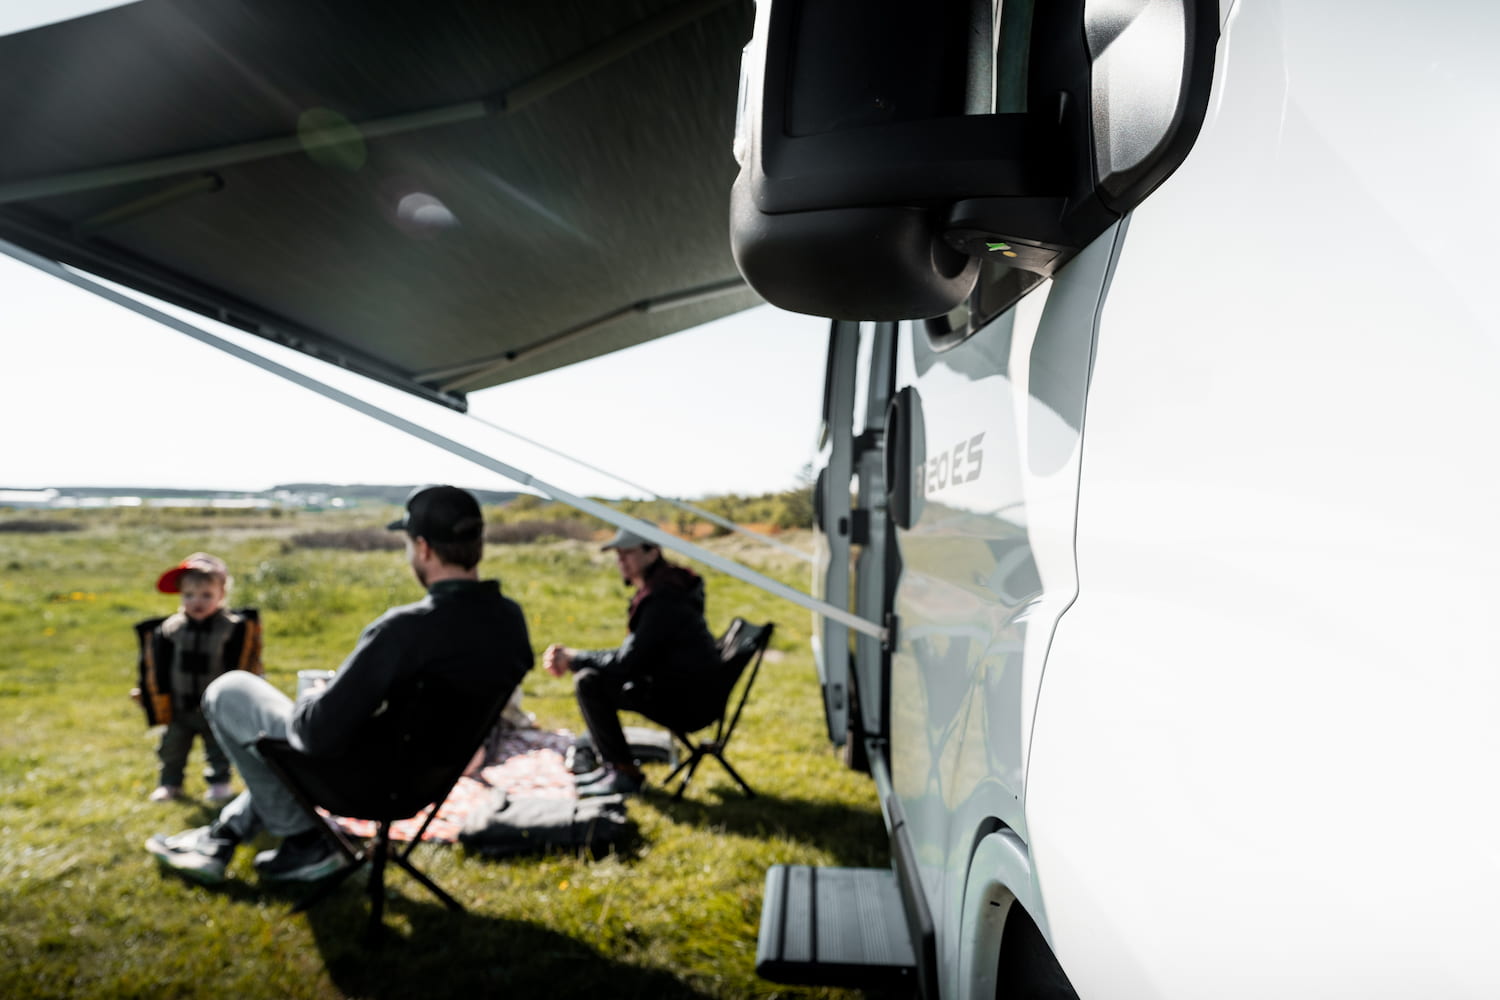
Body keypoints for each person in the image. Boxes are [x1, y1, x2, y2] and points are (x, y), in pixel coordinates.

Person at [146, 485, 533, 884]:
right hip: (425, 784)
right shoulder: (509, 622)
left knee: (230, 690)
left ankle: (304, 843)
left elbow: (313, 735)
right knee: (297, 726)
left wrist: (314, 696)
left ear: (423, 548)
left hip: (359, 785)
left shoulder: (405, 629)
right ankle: (222, 836)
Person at [544, 527, 721, 797]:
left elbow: (627, 663)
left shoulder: (663, 598)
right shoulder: (669, 587)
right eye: (618, 555)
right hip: (689, 691)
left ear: (653, 552)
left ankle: (623, 773)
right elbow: (634, 656)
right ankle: (617, 769)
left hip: (687, 703)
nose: (621, 561)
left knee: (589, 682)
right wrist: (576, 657)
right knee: (592, 677)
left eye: (628, 553)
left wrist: (574, 658)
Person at [131, 552, 262, 804]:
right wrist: (146, 691)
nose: (197, 602)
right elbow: (156, 665)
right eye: (189, 595)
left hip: (214, 706)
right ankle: (170, 783)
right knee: (172, 747)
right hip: (179, 704)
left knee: (218, 747)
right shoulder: (171, 628)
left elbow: (247, 662)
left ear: (221, 594)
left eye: (206, 595)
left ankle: (219, 783)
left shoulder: (231, 627)